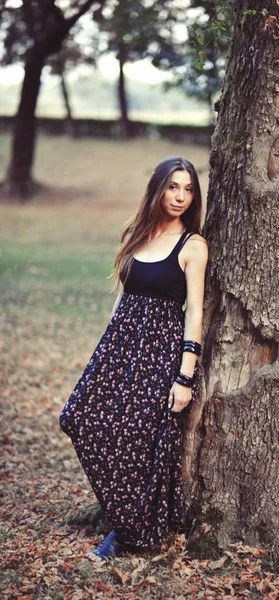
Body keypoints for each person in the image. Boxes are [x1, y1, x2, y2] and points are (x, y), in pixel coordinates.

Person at [59, 156, 208, 561]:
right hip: (120, 346)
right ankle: (123, 516)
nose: (180, 196)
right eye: (173, 187)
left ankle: (131, 530)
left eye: (188, 189)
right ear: (158, 189)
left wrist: (185, 377)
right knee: (76, 417)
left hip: (160, 352)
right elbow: (125, 296)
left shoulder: (192, 245)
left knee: (143, 437)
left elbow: (194, 311)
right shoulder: (138, 233)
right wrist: (109, 346)